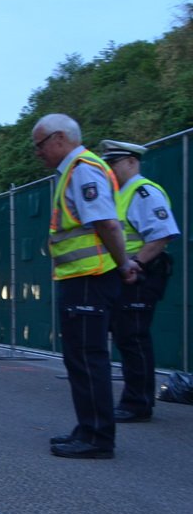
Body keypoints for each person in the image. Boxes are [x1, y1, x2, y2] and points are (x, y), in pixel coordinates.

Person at [34, 114, 138, 460]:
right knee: (79, 358)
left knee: (87, 358)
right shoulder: (75, 171)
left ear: (58, 139)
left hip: (90, 278)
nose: (38, 153)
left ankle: (97, 438)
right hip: (82, 279)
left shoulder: (82, 170)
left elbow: (107, 222)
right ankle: (88, 428)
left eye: (40, 145)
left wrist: (124, 264)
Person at [98, 139, 180, 423]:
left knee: (133, 336)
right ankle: (134, 399)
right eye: (107, 164)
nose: (110, 169)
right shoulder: (119, 193)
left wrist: (136, 263)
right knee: (125, 334)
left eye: (114, 163)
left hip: (142, 272)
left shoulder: (143, 192)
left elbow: (162, 234)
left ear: (132, 162)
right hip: (127, 273)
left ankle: (138, 403)